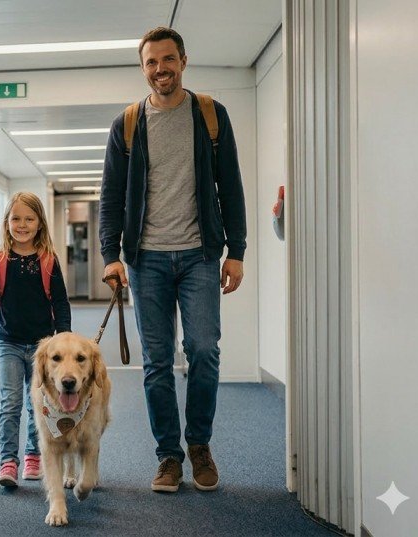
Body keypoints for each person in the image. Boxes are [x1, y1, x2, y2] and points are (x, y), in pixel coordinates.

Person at [98, 26, 247, 493]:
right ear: (143, 68)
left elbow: (231, 186)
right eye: (150, 62)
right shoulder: (127, 123)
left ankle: (199, 444)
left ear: (183, 60)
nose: (159, 69)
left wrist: (236, 250)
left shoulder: (209, 115)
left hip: (201, 255)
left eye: (167, 59)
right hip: (147, 262)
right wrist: (110, 254)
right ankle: (169, 455)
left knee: (204, 350)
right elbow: (111, 197)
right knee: (157, 362)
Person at [0, 192, 71, 488]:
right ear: (7, 222)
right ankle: (8, 461)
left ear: (40, 223)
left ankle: (32, 455)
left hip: (43, 348)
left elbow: (61, 303)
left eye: (29, 219)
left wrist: (63, 339)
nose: (22, 225)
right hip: (8, 342)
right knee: (10, 401)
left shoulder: (49, 260)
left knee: (38, 403)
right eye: (16, 218)